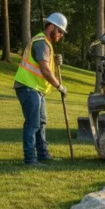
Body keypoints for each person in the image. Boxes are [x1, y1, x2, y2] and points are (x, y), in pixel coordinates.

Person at [13, 13, 68, 166]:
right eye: (60, 31)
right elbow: (45, 70)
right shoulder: (41, 43)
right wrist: (59, 86)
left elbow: (46, 65)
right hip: (28, 87)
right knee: (32, 124)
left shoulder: (46, 43)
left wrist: (57, 61)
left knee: (41, 122)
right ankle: (30, 159)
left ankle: (43, 154)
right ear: (51, 27)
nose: (61, 35)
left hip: (37, 89)